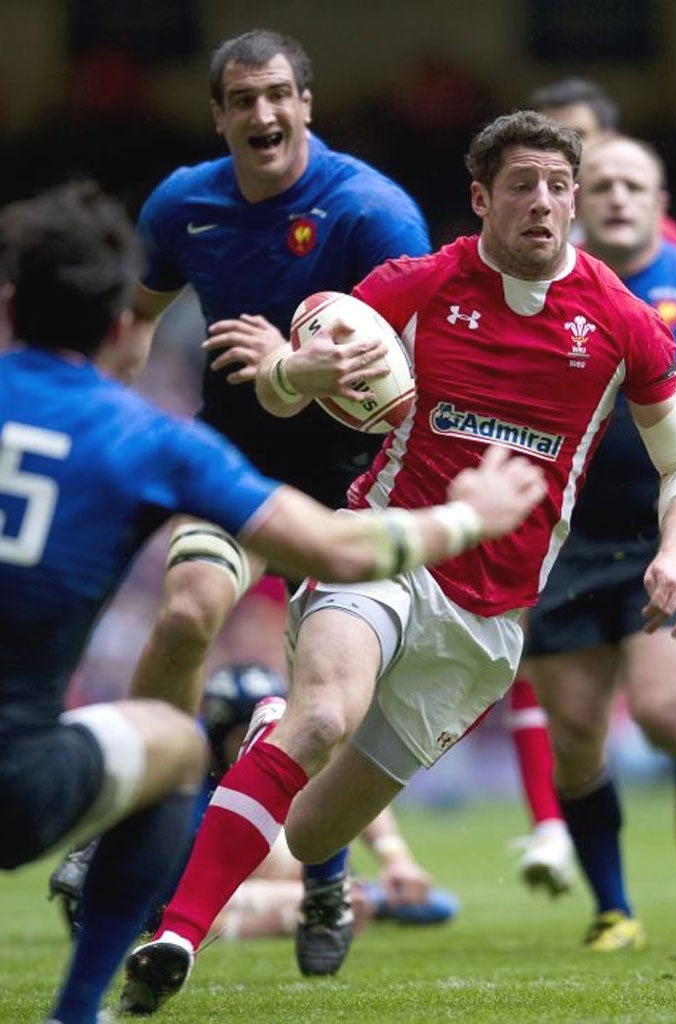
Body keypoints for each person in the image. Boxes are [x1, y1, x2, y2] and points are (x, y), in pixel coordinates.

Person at [119, 110, 676, 1015]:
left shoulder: (621, 322)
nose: (544, 204)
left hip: (489, 621)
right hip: (386, 552)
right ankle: (176, 937)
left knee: (318, 825)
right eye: (522, 185)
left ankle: (267, 725)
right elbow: (289, 386)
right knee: (322, 719)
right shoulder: (421, 282)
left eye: (558, 187)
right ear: (482, 200)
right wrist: (298, 373)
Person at [0, 179, 546, 1024]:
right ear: (119, 326)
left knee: (278, 695)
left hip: (319, 510)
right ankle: (77, 1009)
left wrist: (287, 373)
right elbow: (332, 547)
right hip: (25, 777)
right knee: (179, 748)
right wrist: (471, 517)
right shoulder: (143, 437)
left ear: (9, 305)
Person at [47, 25, 438, 979]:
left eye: (278, 96)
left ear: (307, 104)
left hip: (353, 487)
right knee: (186, 612)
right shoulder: (184, 205)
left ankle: (330, 877)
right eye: (243, 100)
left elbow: (416, 370)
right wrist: (112, 437)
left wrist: (300, 371)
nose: (263, 114)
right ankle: (136, 827)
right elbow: (131, 329)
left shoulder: (371, 213)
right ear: (219, 114)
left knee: (323, 701)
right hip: (236, 473)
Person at [519, 134, 676, 952]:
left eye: (636, 185)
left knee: (663, 713)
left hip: (671, 534)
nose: (618, 198)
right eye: (604, 186)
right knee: (578, 738)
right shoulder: (542, 290)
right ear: (578, 205)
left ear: (661, 203)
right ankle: (614, 909)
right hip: (561, 544)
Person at [200, 663, 459, 941]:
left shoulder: (288, 755)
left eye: (274, 731)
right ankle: (343, 894)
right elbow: (181, 900)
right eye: (248, 735)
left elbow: (347, 789)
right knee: (275, 847)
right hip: (242, 889)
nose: (264, 744)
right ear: (218, 738)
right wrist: (284, 918)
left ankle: (346, 893)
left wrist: (395, 857)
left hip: (291, 884)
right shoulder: (195, 795)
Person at [528, 76, 676, 253]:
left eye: (578, 135)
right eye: (549, 137)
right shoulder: (517, 218)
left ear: (609, 139)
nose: (562, 147)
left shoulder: (661, 236)